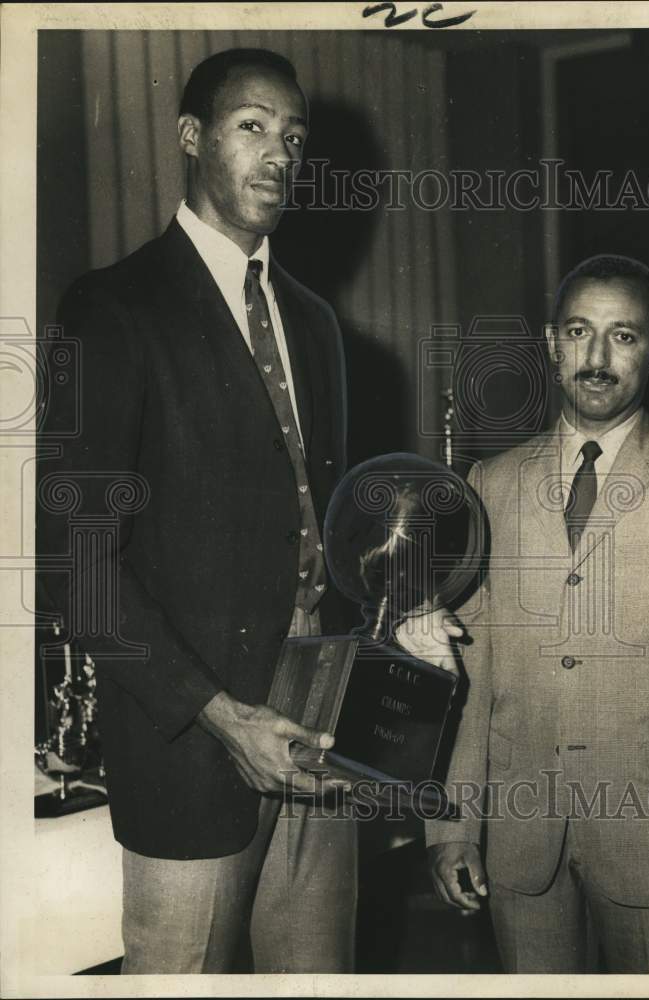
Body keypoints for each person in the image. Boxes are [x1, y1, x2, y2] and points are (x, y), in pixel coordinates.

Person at [37, 47, 357, 974]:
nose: (278, 155)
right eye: (251, 127)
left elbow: (325, 522)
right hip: (190, 746)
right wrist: (222, 716)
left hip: (319, 731)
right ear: (189, 137)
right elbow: (75, 564)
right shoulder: (114, 308)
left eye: (294, 137)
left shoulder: (316, 321)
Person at [425, 255, 649, 973]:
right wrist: (452, 822)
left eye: (623, 336)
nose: (596, 356)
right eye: (580, 332)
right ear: (552, 345)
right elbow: (473, 669)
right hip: (520, 848)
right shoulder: (491, 483)